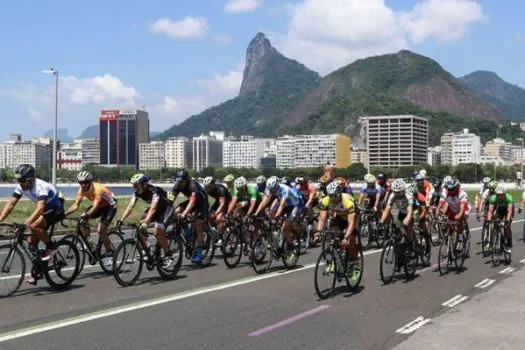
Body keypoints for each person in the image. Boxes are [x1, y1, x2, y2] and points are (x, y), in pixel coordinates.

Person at [0, 164, 65, 283]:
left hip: (56, 209)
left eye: (22, 181)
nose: (20, 183)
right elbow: (10, 204)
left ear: (30, 180)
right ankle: (38, 270)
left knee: (32, 225)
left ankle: (51, 247)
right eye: (18, 180)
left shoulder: (41, 186)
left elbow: (40, 208)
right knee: (30, 241)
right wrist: (0, 219)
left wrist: (26, 224)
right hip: (45, 209)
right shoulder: (21, 186)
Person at [118, 173, 174, 268]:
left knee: (157, 231)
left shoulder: (154, 191)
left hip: (166, 209)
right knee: (140, 224)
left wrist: (147, 221)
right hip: (156, 209)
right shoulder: (136, 192)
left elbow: (153, 208)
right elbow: (130, 206)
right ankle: (146, 247)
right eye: (133, 185)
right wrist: (121, 219)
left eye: (136, 184)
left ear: (144, 184)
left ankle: (168, 254)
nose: (134, 187)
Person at [64, 171, 117, 264]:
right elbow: (76, 205)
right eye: (81, 183)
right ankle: (89, 242)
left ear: (90, 181)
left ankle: (110, 251)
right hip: (99, 206)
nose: (83, 185)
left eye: (85, 182)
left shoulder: (97, 189)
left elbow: (95, 206)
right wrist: (64, 214)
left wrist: (87, 215)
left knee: (100, 230)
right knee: (82, 220)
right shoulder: (81, 190)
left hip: (110, 206)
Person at [316, 181, 361, 281]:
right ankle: (333, 259)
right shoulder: (326, 200)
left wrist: (346, 237)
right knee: (332, 234)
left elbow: (351, 224)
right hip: (340, 216)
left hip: (352, 218)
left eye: (335, 196)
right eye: (331, 196)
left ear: (340, 193)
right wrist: (318, 232)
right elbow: (322, 218)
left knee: (350, 241)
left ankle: (355, 263)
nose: (333, 198)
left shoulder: (347, 202)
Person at [254, 176, 303, 257]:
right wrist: (256, 214)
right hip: (282, 202)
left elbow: (282, 205)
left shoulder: (284, 189)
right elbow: (263, 202)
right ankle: (276, 236)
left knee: (285, 228)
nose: (272, 191)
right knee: (271, 214)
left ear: (277, 185)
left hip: (293, 206)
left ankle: (291, 245)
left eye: (274, 189)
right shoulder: (270, 188)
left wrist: (277, 215)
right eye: (271, 190)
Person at [172, 169, 209, 264]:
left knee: (198, 224)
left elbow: (192, 201)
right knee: (176, 211)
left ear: (187, 179)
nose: (180, 183)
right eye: (178, 181)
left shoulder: (192, 185)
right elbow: (171, 200)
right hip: (191, 201)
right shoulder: (177, 186)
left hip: (201, 203)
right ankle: (189, 235)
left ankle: (199, 252)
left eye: (182, 181)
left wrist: (184, 214)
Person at [380, 179, 420, 251]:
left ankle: (410, 245)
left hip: (413, 209)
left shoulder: (408, 195)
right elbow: (387, 209)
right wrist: (381, 222)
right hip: (402, 211)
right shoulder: (392, 195)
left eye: (399, 192)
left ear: (403, 190)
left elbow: (410, 212)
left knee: (407, 226)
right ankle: (400, 247)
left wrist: (406, 222)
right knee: (397, 227)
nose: (397, 194)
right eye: (395, 192)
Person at [202, 176, 232, 246]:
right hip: (216, 202)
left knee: (218, 218)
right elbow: (204, 202)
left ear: (213, 184)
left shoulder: (220, 189)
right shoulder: (206, 190)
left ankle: (221, 237)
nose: (207, 188)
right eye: (206, 187)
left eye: (208, 187)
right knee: (208, 217)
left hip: (226, 203)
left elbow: (222, 204)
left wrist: (215, 214)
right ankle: (215, 231)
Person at [487, 185, 514, 253]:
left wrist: (507, 220)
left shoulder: (509, 197)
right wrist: (489, 220)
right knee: (496, 221)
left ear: (504, 193)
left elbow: (509, 211)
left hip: (508, 209)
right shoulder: (493, 198)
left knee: (507, 226)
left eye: (501, 195)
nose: (499, 196)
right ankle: (499, 236)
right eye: (497, 194)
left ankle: (509, 243)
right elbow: (490, 211)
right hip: (500, 209)